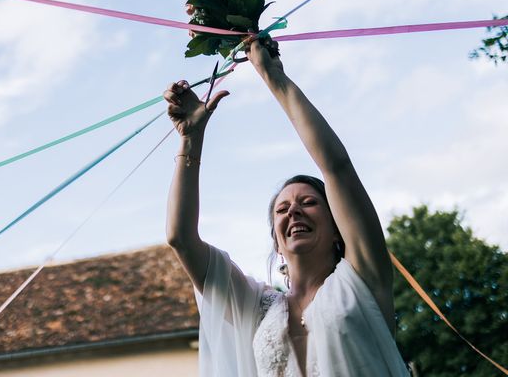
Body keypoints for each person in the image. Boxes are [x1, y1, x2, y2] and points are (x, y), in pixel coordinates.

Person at [164, 37, 410, 376]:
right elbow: (181, 238)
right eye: (282, 210)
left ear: (339, 227)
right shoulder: (258, 308)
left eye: (308, 202)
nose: (293, 211)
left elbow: (336, 167)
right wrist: (191, 138)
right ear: (276, 241)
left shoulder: (362, 276)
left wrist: (274, 78)